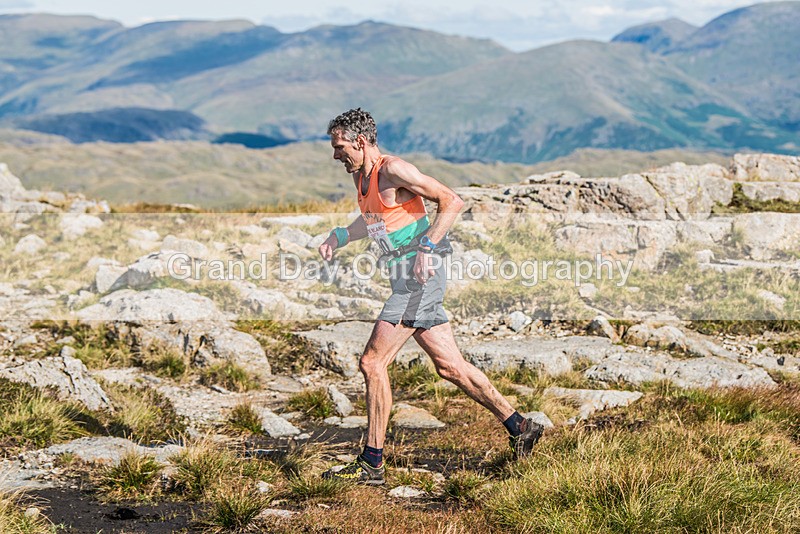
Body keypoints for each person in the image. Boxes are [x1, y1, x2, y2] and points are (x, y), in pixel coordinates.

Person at [319, 108, 542, 485]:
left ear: (360, 141)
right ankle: (521, 426)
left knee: (372, 364)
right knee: (450, 367)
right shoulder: (364, 179)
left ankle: (372, 463)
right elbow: (375, 220)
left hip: (417, 281)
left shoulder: (394, 170)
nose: (335, 154)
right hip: (405, 280)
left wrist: (427, 246)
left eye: (340, 146)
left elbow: (451, 200)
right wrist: (339, 236)